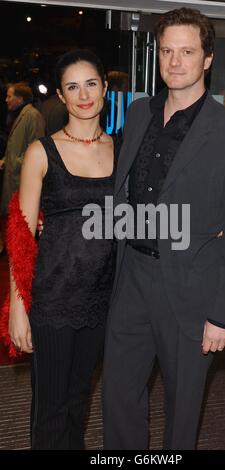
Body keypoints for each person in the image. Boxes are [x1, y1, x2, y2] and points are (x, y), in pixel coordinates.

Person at [102, 8, 225, 450]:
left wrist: (223, 314)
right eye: (167, 51)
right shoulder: (136, 115)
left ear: (207, 58)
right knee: (118, 395)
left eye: (187, 51)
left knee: (182, 407)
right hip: (132, 276)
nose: (175, 62)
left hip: (192, 291)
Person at [6, 49, 117, 449]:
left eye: (91, 83)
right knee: (49, 410)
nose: (83, 94)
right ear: (61, 95)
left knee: (77, 403)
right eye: (73, 86)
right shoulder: (41, 151)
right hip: (52, 299)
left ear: (105, 88)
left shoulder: (121, 150)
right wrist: (18, 308)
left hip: (101, 299)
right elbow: (21, 232)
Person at [0, 82, 45, 254]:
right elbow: (16, 146)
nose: (6, 100)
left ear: (19, 98)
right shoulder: (21, 115)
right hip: (15, 178)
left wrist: (16, 162)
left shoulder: (32, 116)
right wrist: (6, 160)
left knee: (24, 224)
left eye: (10, 96)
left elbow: (37, 145)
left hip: (23, 180)